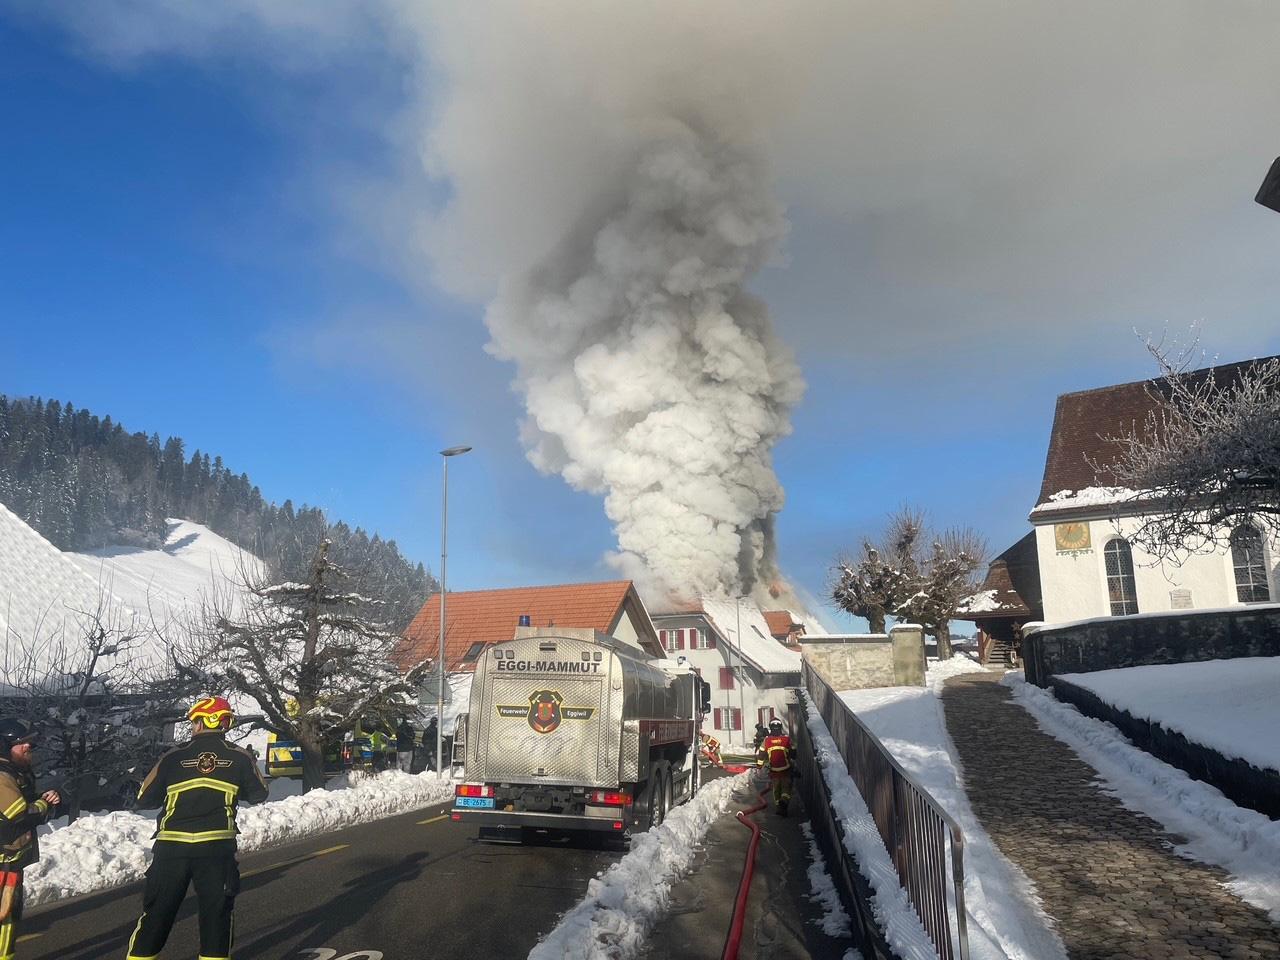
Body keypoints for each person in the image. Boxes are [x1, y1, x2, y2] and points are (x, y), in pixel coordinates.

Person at [123, 696, 268, 960]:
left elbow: (145, 798)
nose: (192, 727)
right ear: (224, 723)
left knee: (156, 915)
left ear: (202, 722)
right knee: (216, 918)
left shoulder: (173, 756)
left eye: (193, 722)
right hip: (216, 850)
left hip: (171, 849)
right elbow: (259, 794)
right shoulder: (240, 757)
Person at [0, 719, 61, 960]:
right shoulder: (2, 775)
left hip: (9, 858)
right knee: (6, 914)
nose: (28, 747)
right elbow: (19, 814)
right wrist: (44, 804)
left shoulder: (14, 772)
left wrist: (42, 800)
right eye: (22, 742)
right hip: (4, 861)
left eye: (29, 743)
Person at [757, 718, 796, 817]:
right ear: (780, 727)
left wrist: (759, 765)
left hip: (774, 770)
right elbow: (793, 752)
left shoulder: (766, 740)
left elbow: (761, 754)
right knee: (786, 788)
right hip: (786, 769)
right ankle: (784, 801)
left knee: (776, 789)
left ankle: (779, 807)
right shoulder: (787, 739)